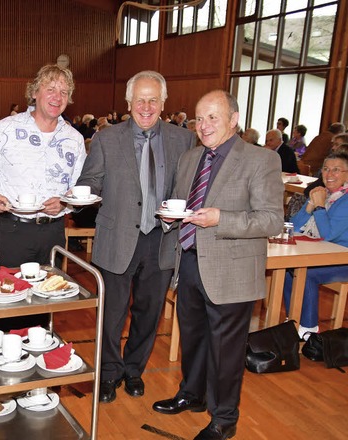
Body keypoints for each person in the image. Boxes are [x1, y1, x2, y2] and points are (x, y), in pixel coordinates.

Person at [152, 90, 282, 440]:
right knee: (192, 337)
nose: (204, 125)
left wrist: (220, 219)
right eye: (199, 118)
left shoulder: (261, 160)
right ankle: (191, 394)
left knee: (226, 351)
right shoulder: (190, 158)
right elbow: (184, 208)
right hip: (189, 262)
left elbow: (270, 220)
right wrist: (169, 218)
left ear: (234, 120)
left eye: (213, 117)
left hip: (232, 270)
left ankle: (224, 418)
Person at [76, 71, 194, 403]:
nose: (146, 106)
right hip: (117, 238)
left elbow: (184, 188)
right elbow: (92, 179)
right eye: (139, 99)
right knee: (112, 313)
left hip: (161, 238)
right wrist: (83, 193)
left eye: (153, 99)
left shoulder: (182, 139)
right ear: (128, 103)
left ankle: (134, 371)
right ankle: (109, 373)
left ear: (163, 103)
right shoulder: (106, 138)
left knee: (149, 312)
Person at [0, 64, 86, 267]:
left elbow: (80, 185)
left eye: (63, 92)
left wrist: (66, 203)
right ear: (34, 92)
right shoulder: (6, 129)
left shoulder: (74, 139)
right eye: (50, 89)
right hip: (14, 230)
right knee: (12, 293)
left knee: (53, 294)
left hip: (54, 231)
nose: (57, 97)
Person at [284, 151, 348, 339]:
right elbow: (294, 225)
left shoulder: (345, 201)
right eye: (326, 169)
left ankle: (310, 331)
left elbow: (328, 234)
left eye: (336, 170)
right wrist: (311, 205)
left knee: (307, 274)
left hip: (342, 258)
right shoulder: (322, 194)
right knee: (289, 271)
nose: (329, 174)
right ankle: (293, 321)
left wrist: (319, 208)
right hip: (323, 253)